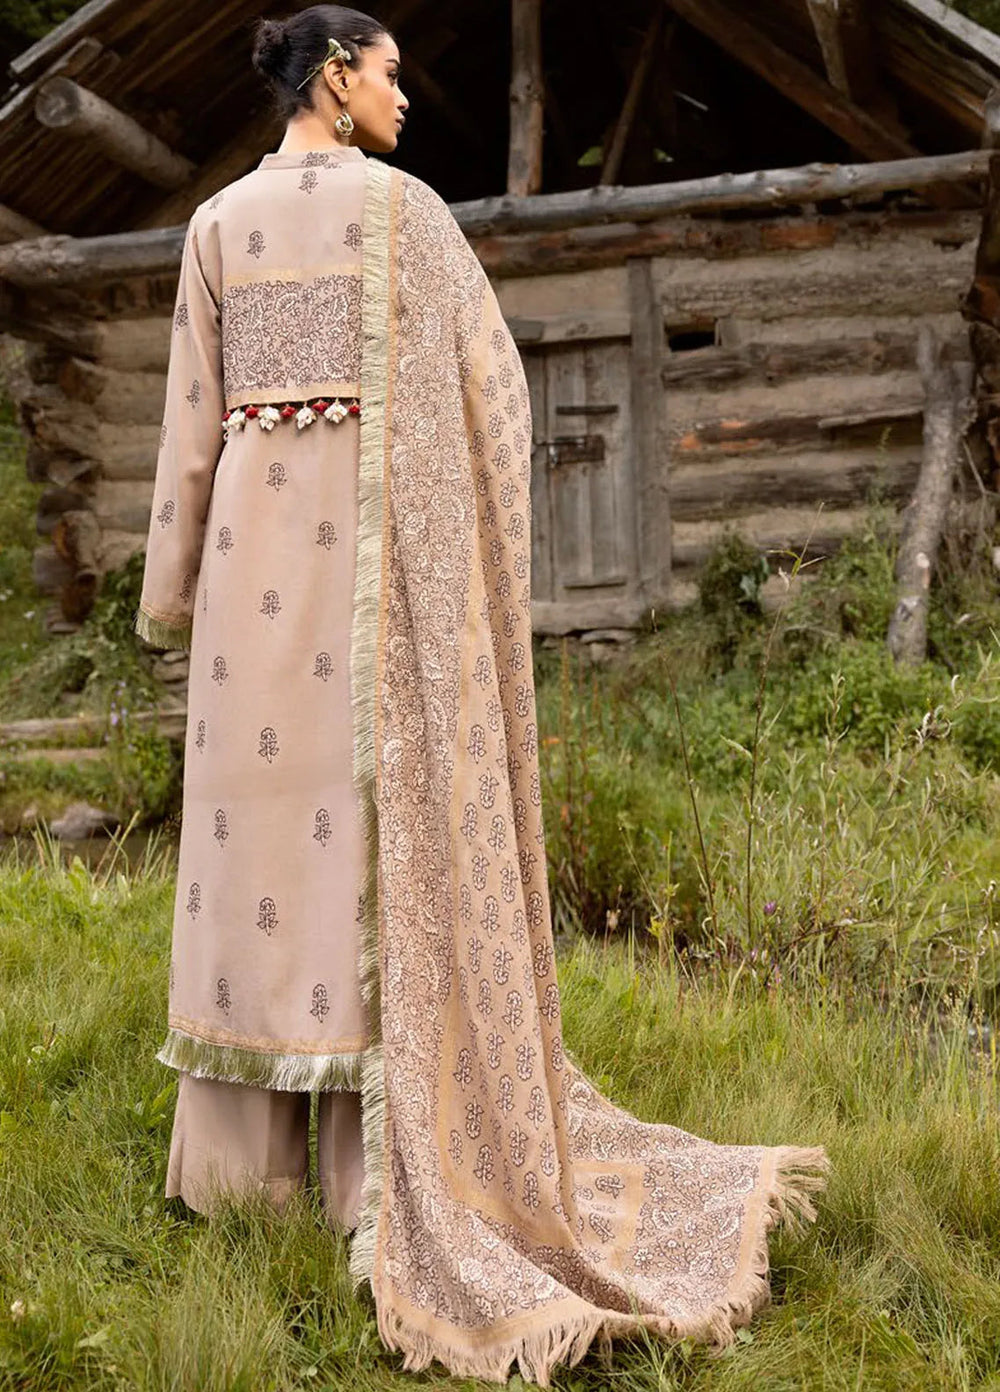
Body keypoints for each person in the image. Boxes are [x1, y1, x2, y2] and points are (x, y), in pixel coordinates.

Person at [135, 6, 831, 1385]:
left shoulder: (214, 227)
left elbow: (188, 438)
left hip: (244, 618)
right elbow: (496, 401)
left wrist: (170, 604)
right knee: (361, 864)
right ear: (336, 76)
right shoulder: (411, 222)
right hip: (378, 620)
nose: (407, 100)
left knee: (252, 861)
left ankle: (235, 1180)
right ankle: (371, 1185)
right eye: (392, 74)